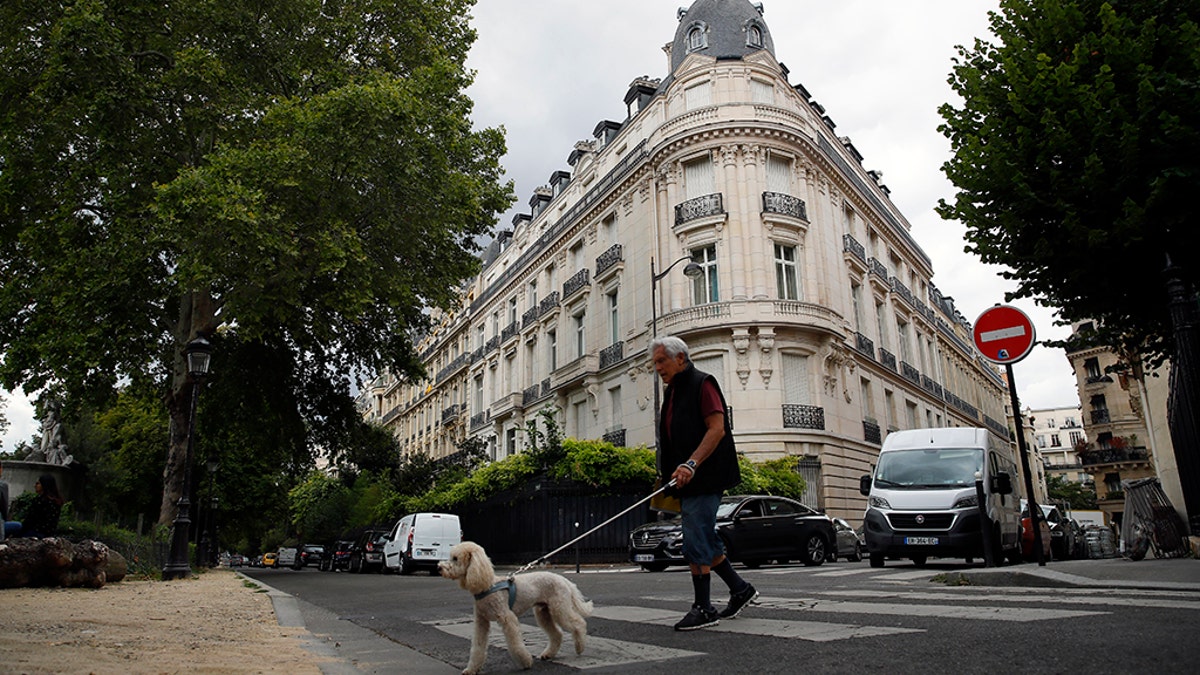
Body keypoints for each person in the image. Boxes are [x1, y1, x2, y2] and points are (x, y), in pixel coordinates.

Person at [651, 335, 757, 631]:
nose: (657, 368)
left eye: (662, 361)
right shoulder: (672, 392)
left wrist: (691, 463)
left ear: (680, 358)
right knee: (703, 537)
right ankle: (740, 589)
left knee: (696, 538)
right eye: (655, 362)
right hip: (685, 479)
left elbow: (717, 429)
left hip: (705, 475)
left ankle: (704, 608)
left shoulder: (703, 383)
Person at [18, 473, 64, 538]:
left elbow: (30, 519)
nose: (35, 486)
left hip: (35, 532)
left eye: (38, 484)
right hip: (49, 534)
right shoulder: (56, 501)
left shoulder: (40, 501)